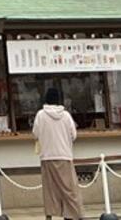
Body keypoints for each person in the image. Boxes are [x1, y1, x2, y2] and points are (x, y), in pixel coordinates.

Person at [31, 85, 83, 220]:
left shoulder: (40, 115)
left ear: (46, 100)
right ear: (59, 100)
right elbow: (74, 135)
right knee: (69, 189)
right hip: (65, 156)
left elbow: (35, 134)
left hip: (47, 157)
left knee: (50, 190)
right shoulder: (66, 116)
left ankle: (50, 216)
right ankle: (74, 214)